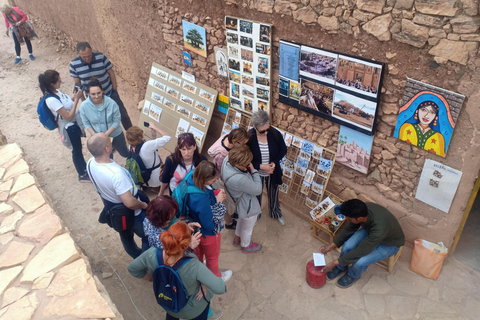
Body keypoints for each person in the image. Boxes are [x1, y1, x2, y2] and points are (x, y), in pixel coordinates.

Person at [128, 222, 226, 320]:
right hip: (192, 309)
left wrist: (151, 278)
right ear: (185, 245)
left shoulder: (151, 253)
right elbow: (220, 288)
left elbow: (132, 269)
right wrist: (203, 283)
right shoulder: (193, 265)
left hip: (169, 303)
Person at [86, 133, 150, 259]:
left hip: (114, 210)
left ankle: (135, 255)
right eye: (109, 141)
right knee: (147, 236)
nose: (111, 141)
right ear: (106, 149)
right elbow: (130, 203)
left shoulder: (90, 163)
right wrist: (143, 204)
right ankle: (145, 261)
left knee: (125, 235)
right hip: (132, 212)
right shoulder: (116, 174)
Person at [319, 199, 405, 288]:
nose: (348, 220)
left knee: (360, 262)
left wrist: (333, 263)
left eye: (349, 219)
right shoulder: (362, 210)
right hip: (371, 231)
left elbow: (361, 250)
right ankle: (341, 267)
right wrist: (332, 245)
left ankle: (352, 275)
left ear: (359, 219)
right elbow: (349, 229)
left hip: (390, 244)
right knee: (347, 246)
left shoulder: (379, 229)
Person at [38, 70, 89, 182]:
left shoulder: (55, 92)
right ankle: (82, 175)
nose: (61, 81)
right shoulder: (51, 100)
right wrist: (77, 99)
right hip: (69, 128)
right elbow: (68, 116)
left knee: (78, 149)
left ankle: (84, 170)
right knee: (76, 151)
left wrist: (74, 97)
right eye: (58, 79)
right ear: (52, 83)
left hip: (72, 126)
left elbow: (65, 103)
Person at [186, 161, 232, 281]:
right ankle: (215, 278)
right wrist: (217, 202)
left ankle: (200, 272)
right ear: (203, 179)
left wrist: (215, 194)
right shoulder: (200, 199)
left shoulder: (191, 177)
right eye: (213, 179)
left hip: (195, 231)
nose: (216, 180)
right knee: (212, 257)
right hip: (208, 234)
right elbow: (209, 223)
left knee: (198, 253)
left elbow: (206, 195)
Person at [70, 42, 132, 130]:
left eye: (89, 55)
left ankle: (132, 135)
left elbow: (111, 72)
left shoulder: (100, 57)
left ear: (92, 51)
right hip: (93, 98)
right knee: (102, 121)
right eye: (84, 57)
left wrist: (114, 89)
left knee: (123, 114)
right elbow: (78, 85)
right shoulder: (74, 64)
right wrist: (84, 101)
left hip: (110, 93)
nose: (87, 58)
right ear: (79, 54)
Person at [247, 110, 287, 225]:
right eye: (262, 131)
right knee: (256, 195)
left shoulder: (274, 134)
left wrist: (274, 162)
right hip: (256, 173)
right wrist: (261, 166)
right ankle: (256, 214)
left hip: (272, 172)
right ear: (254, 127)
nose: (266, 133)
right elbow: (245, 159)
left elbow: (283, 149)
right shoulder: (249, 138)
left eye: (267, 129)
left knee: (273, 193)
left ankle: (276, 212)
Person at [222, 145, 263, 253]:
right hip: (248, 206)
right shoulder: (240, 179)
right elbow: (258, 189)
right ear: (236, 164)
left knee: (241, 219)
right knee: (248, 227)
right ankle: (246, 246)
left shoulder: (227, 160)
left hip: (239, 204)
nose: (248, 165)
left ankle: (237, 239)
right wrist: (253, 170)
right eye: (245, 164)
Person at [208, 127, 249, 230]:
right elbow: (223, 173)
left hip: (221, 177)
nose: (244, 145)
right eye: (243, 143)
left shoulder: (226, 136)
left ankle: (232, 215)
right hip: (221, 180)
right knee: (226, 202)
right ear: (235, 142)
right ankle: (229, 222)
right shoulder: (223, 155)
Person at [80, 78, 129, 158]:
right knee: (107, 157)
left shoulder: (112, 103)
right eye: (93, 94)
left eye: (98, 93)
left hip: (115, 134)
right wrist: (95, 135)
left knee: (125, 153)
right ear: (88, 93)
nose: (96, 96)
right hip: (97, 137)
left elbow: (116, 120)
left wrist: (105, 135)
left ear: (102, 91)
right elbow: (86, 123)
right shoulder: (84, 106)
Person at [125, 124, 171, 188]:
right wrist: (155, 127)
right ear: (141, 135)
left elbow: (150, 147)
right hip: (155, 179)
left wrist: (153, 135)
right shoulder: (147, 146)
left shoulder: (131, 147)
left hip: (142, 178)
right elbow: (167, 138)